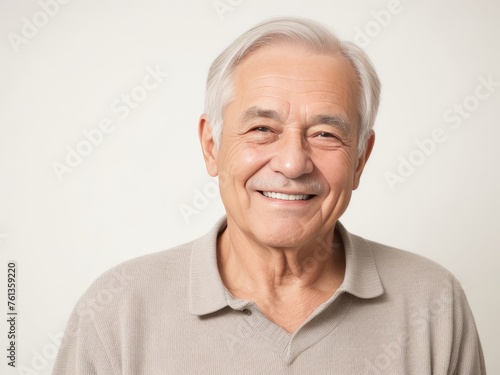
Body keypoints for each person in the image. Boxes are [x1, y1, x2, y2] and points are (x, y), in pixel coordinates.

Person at [52, 17, 485, 374]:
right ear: (212, 146)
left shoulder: (434, 304)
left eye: (325, 133)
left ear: (360, 159)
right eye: (262, 129)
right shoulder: (118, 313)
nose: (293, 163)